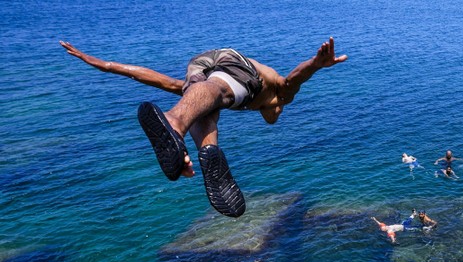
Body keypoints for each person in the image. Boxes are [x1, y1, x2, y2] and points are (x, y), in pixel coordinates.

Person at [60, 39, 347, 218]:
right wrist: (316, 64)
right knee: (219, 91)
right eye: (275, 115)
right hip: (236, 65)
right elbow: (295, 78)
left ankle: (207, 153)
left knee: (200, 98)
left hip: (200, 63)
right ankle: (175, 124)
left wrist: (106, 65)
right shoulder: (279, 96)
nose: (274, 117)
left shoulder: (235, 97)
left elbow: (159, 81)